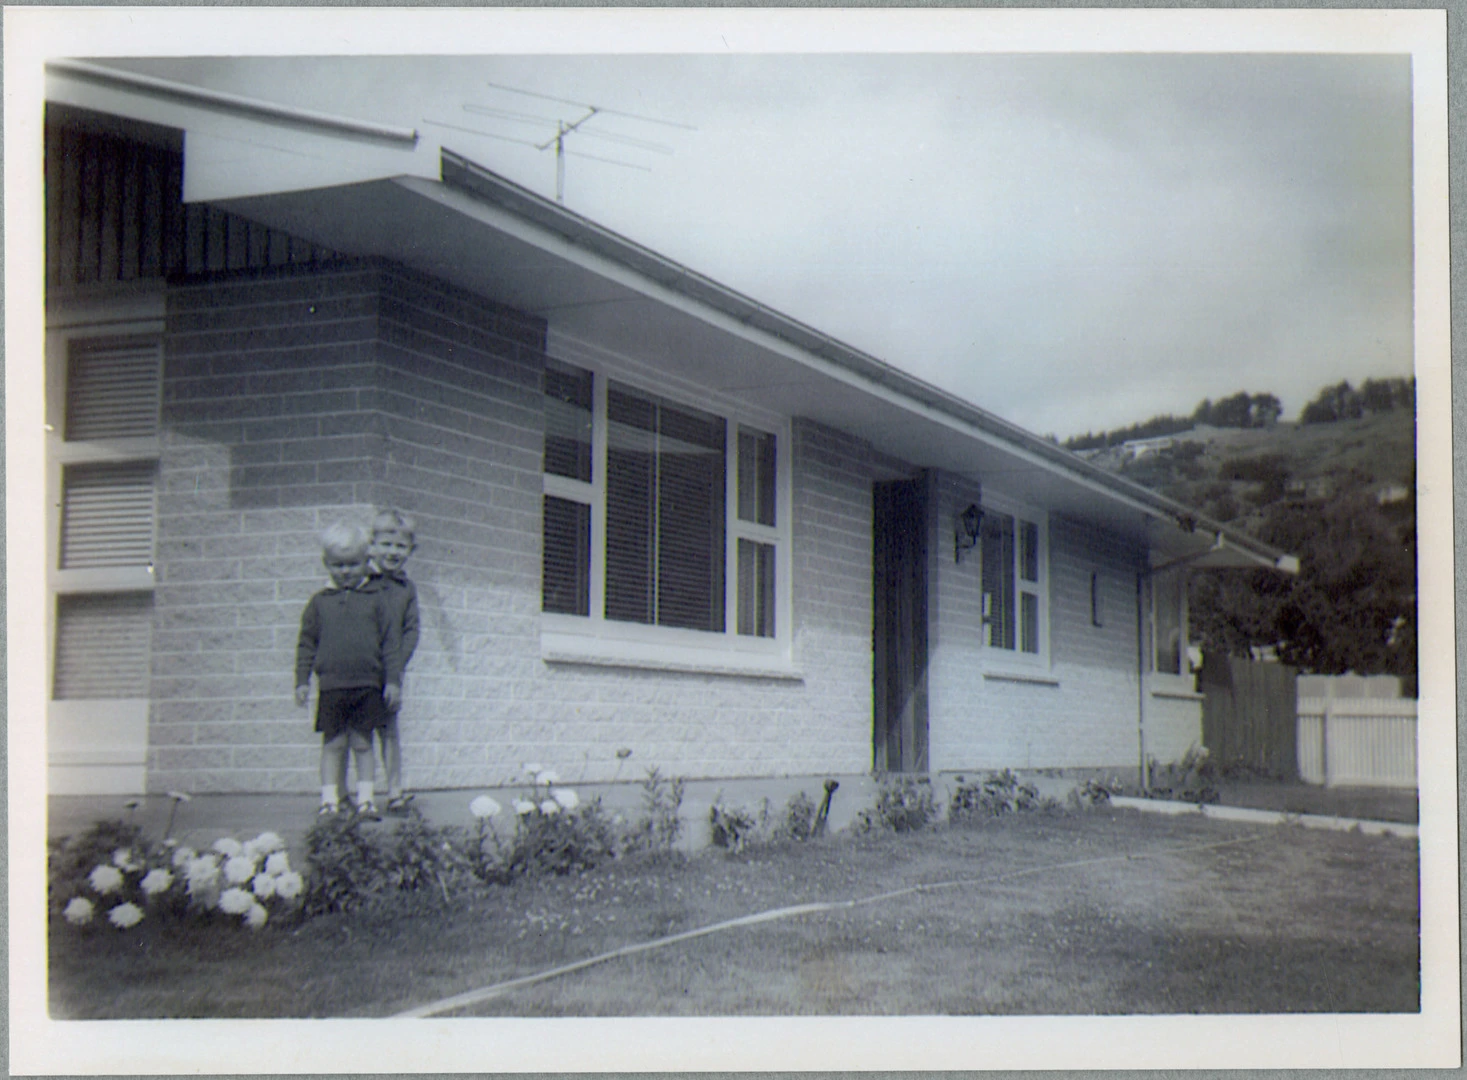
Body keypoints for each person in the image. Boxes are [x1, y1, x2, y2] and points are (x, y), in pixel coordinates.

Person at [295, 522, 402, 818]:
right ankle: (329, 799)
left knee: (362, 743)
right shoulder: (319, 603)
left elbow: (390, 644)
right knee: (333, 744)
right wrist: (302, 681)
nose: (346, 571)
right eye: (338, 565)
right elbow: (306, 643)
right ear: (326, 564)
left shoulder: (376, 600)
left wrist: (392, 681)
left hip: (367, 685)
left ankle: (365, 799)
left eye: (353, 564)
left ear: (366, 562)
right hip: (332, 686)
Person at [368, 508, 420, 814]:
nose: (393, 552)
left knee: (389, 730)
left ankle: (395, 791)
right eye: (386, 544)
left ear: (410, 551)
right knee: (354, 733)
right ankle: (356, 793)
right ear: (372, 546)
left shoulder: (406, 590)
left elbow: (411, 631)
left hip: (390, 675)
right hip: (360, 669)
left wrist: (395, 670)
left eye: (400, 546)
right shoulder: (361, 581)